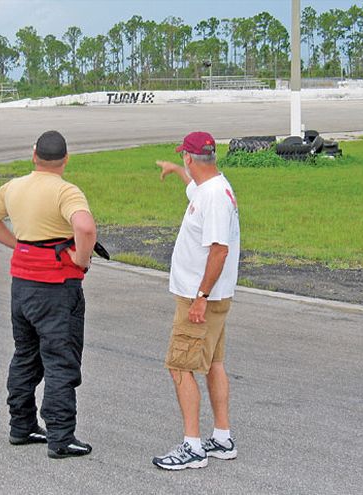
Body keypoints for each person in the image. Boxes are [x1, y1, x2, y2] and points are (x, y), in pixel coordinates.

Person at [0, 130, 96, 459]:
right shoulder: (66, 191)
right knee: (60, 359)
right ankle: (60, 436)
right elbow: (85, 228)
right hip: (57, 287)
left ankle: (21, 424)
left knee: (25, 354)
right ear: (66, 159)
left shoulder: (14, 187)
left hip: (22, 285)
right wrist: (81, 260)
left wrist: (20, 245)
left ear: (34, 155)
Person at [152, 131, 240, 470]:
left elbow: (219, 250)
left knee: (180, 366)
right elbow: (194, 184)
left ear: (191, 157)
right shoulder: (211, 186)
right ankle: (221, 438)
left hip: (200, 300)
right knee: (213, 364)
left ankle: (192, 447)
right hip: (211, 298)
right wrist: (175, 170)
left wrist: (200, 298)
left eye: (182, 158)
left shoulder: (214, 196)